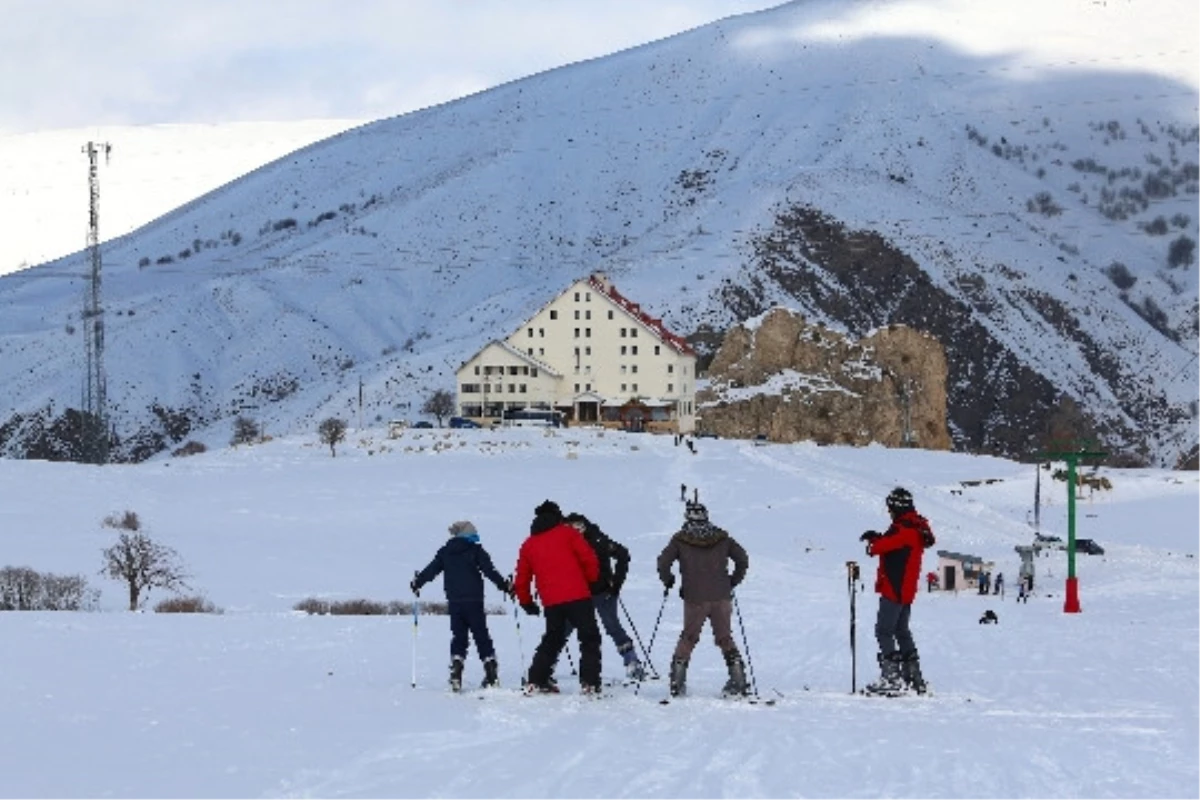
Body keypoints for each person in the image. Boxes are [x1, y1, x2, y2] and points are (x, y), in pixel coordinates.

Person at [657, 500, 750, 698]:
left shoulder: (681, 539)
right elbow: (742, 559)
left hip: (695, 596)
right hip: (721, 595)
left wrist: (669, 580)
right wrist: (732, 581)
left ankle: (677, 683)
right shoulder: (722, 537)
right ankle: (739, 681)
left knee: (688, 637)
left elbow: (663, 562)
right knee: (725, 637)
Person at [513, 500, 603, 695]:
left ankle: (536, 680)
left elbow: (522, 577)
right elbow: (588, 558)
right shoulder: (568, 533)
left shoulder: (529, 544)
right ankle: (590, 682)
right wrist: (592, 580)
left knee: (552, 639)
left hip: (551, 601)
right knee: (589, 638)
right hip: (578, 595)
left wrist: (526, 601)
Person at [410, 520, 512, 692]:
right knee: (481, 635)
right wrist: (505, 585)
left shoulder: (445, 552)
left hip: (455, 601)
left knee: (459, 637)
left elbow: (432, 570)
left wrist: (418, 582)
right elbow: (489, 571)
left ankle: (456, 673)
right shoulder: (476, 550)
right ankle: (491, 673)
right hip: (474, 600)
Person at [859, 487, 936, 696]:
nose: (889, 511)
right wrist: (879, 537)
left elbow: (876, 549)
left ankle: (892, 678)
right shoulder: (916, 527)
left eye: (890, 507)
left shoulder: (903, 529)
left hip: (894, 587)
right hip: (907, 590)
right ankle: (914, 677)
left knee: (883, 630)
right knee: (901, 631)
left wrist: (874, 541)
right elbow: (893, 545)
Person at [561, 512, 645, 681]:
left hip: (602, 592)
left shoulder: (598, 539)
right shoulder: (564, 542)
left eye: (578, 527)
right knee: (565, 627)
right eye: (570, 527)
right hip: (577, 592)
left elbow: (622, 554)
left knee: (612, 626)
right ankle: (547, 665)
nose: (575, 530)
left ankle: (632, 662)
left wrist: (617, 582)